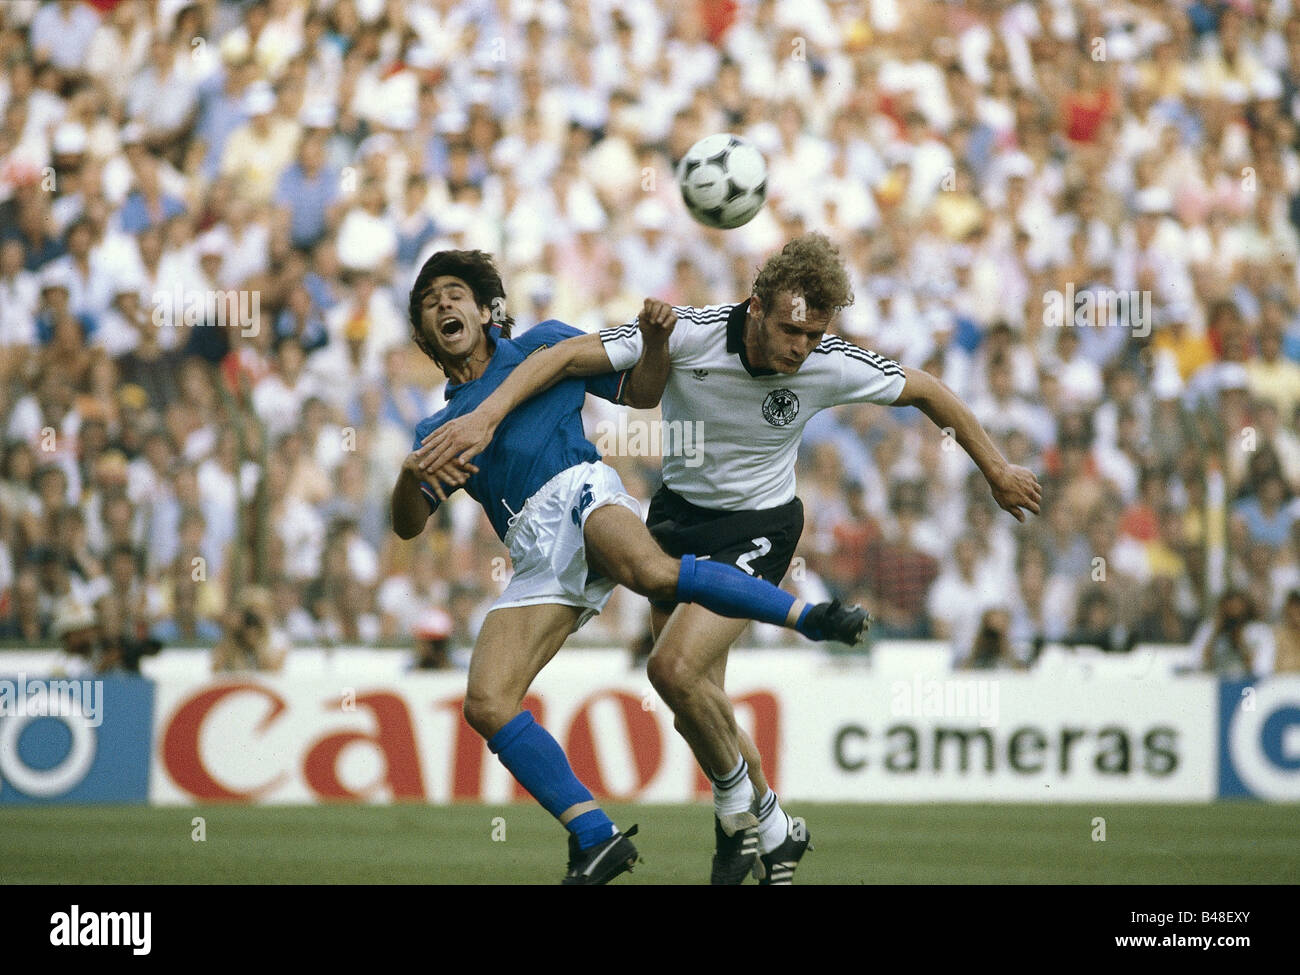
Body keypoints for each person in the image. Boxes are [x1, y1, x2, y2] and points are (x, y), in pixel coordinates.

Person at [421, 233, 1042, 884]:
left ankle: (758, 818)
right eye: (790, 329)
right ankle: (764, 824)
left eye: (812, 333)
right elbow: (565, 355)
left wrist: (996, 468)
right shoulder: (693, 334)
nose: (800, 347)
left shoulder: (828, 362)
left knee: (673, 668)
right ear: (755, 308)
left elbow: (926, 389)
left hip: (759, 527)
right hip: (677, 517)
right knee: (696, 694)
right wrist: (486, 415)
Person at [394, 249, 870, 886]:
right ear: (425, 337)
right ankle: (600, 836)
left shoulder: (543, 346)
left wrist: (651, 341)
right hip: (534, 555)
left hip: (581, 495)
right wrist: (409, 473)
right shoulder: (440, 426)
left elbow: (644, 392)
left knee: (650, 573)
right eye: (430, 305)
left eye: (455, 293)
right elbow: (407, 524)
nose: (444, 306)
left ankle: (807, 615)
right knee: (487, 700)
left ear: (487, 310)